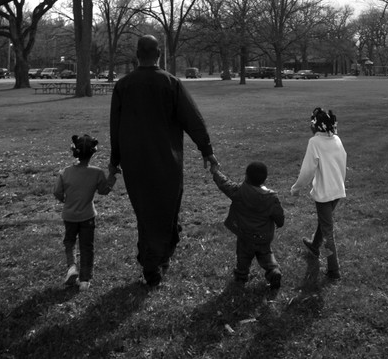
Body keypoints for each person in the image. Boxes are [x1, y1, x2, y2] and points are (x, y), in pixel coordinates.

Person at [109, 35, 219, 288]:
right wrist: (207, 150)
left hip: (135, 162)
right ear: (158, 54)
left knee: (145, 212)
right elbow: (193, 119)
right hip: (167, 161)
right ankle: (154, 260)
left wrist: (115, 161)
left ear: (137, 54)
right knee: (167, 209)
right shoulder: (170, 83)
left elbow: (115, 126)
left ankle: (155, 256)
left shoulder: (123, 85)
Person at [53, 134, 118, 291]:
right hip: (88, 216)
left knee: (69, 242)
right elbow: (104, 191)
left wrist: (65, 201)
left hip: (69, 216)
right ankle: (85, 280)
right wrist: (112, 175)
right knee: (87, 246)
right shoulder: (97, 173)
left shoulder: (65, 172)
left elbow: (57, 192)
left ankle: (72, 267)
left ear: (74, 152)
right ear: (92, 153)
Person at [290, 107, 347, 280]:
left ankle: (333, 270)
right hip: (337, 190)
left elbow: (308, 170)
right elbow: (343, 161)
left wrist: (296, 187)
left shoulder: (315, 142)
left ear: (315, 125)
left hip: (325, 194)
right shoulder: (336, 139)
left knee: (328, 230)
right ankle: (315, 246)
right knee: (325, 222)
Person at [210, 161, 285, 289]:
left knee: (243, 257)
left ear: (246, 176)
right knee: (266, 255)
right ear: (265, 179)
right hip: (263, 237)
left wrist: (216, 172)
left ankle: (241, 277)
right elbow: (279, 217)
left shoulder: (239, 191)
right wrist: (279, 223)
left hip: (245, 236)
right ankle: (273, 271)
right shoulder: (272, 198)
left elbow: (225, 184)